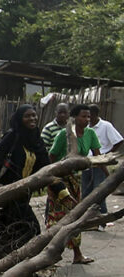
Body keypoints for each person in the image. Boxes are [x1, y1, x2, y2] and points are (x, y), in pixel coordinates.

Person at [0, 104, 66, 277]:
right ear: (19, 119)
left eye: (34, 116)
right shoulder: (13, 136)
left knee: (8, 235)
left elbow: (46, 168)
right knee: (30, 230)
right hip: (7, 196)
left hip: (23, 197)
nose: (32, 119)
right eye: (27, 117)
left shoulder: (36, 140)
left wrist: (60, 189)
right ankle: (16, 273)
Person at [47, 103, 99, 264]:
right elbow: (52, 156)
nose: (87, 119)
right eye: (83, 116)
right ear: (74, 118)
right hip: (60, 181)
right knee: (58, 216)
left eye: (88, 116)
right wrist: (53, 179)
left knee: (75, 215)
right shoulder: (65, 134)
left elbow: (98, 156)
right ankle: (48, 253)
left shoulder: (90, 133)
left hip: (76, 181)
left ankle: (77, 254)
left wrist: (109, 176)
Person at [86, 104, 122, 229]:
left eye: (89, 115)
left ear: (95, 115)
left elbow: (118, 140)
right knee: (86, 192)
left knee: (99, 191)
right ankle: (88, 221)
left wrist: (107, 154)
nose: (87, 118)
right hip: (87, 162)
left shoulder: (105, 126)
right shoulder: (86, 127)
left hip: (100, 163)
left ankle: (102, 221)